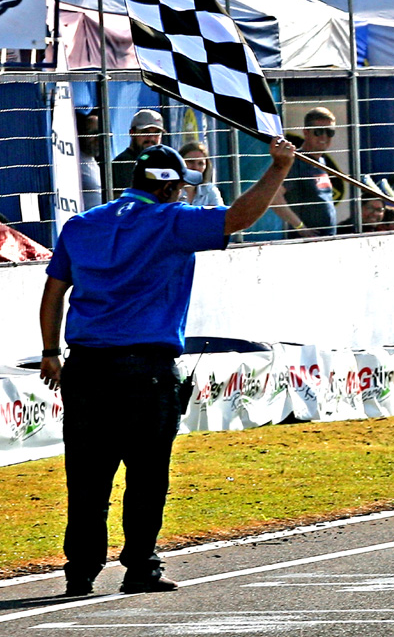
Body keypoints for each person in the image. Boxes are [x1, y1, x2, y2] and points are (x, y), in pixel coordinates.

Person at [39, 137, 297, 597]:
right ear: (168, 188)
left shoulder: (81, 224)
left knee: (86, 477)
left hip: (86, 368)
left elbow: (54, 291)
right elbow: (238, 217)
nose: (183, 193)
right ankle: (140, 567)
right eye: (181, 186)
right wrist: (277, 168)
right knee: (147, 474)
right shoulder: (172, 220)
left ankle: (80, 571)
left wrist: (50, 352)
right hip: (146, 370)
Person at [271, 106, 338, 238]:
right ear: (306, 132)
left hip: (326, 239)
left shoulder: (321, 161)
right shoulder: (295, 162)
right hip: (305, 241)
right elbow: (274, 197)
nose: (324, 136)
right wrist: (300, 227)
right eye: (318, 131)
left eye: (329, 132)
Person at [111, 109, 165, 194]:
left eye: (156, 133)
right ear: (132, 133)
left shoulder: (162, 163)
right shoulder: (122, 164)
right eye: (145, 132)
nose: (151, 138)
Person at [178, 141, 225, 207]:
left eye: (200, 163)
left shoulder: (209, 190)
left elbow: (220, 212)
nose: (195, 167)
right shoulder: (171, 190)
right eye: (190, 161)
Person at [76, 110, 103, 211]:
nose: (97, 139)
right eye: (92, 133)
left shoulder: (93, 163)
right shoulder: (74, 162)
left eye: (100, 134)